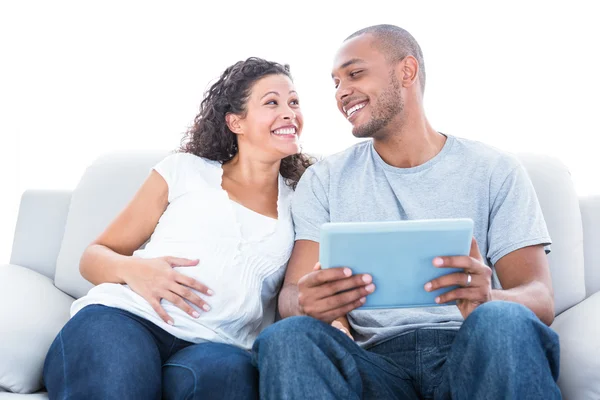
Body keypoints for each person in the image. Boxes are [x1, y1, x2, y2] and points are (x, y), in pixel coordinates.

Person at [252, 25, 561, 399]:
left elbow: (540, 299)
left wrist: (489, 299)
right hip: (371, 366)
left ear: (407, 71)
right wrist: (306, 302)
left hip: (473, 352)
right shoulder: (325, 179)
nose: (341, 92)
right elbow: (290, 294)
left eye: (354, 73)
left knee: (502, 321)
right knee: (286, 336)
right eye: (334, 82)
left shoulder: (495, 170)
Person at [43, 57, 311, 400]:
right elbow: (92, 258)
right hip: (126, 319)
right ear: (236, 122)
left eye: (294, 102)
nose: (289, 112)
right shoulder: (184, 170)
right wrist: (135, 270)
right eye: (272, 102)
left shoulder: (303, 201)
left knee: (226, 380)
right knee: (119, 383)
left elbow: (301, 289)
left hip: (218, 345)